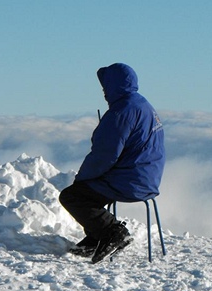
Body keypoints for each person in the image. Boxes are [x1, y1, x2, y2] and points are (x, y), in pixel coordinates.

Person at [59, 63, 165, 264]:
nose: (104, 93)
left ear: (112, 85)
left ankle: (113, 233)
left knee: (73, 195)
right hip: (147, 178)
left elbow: (104, 155)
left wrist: (82, 177)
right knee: (90, 190)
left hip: (130, 180)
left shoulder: (121, 112)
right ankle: (96, 237)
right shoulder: (143, 105)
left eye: (104, 87)